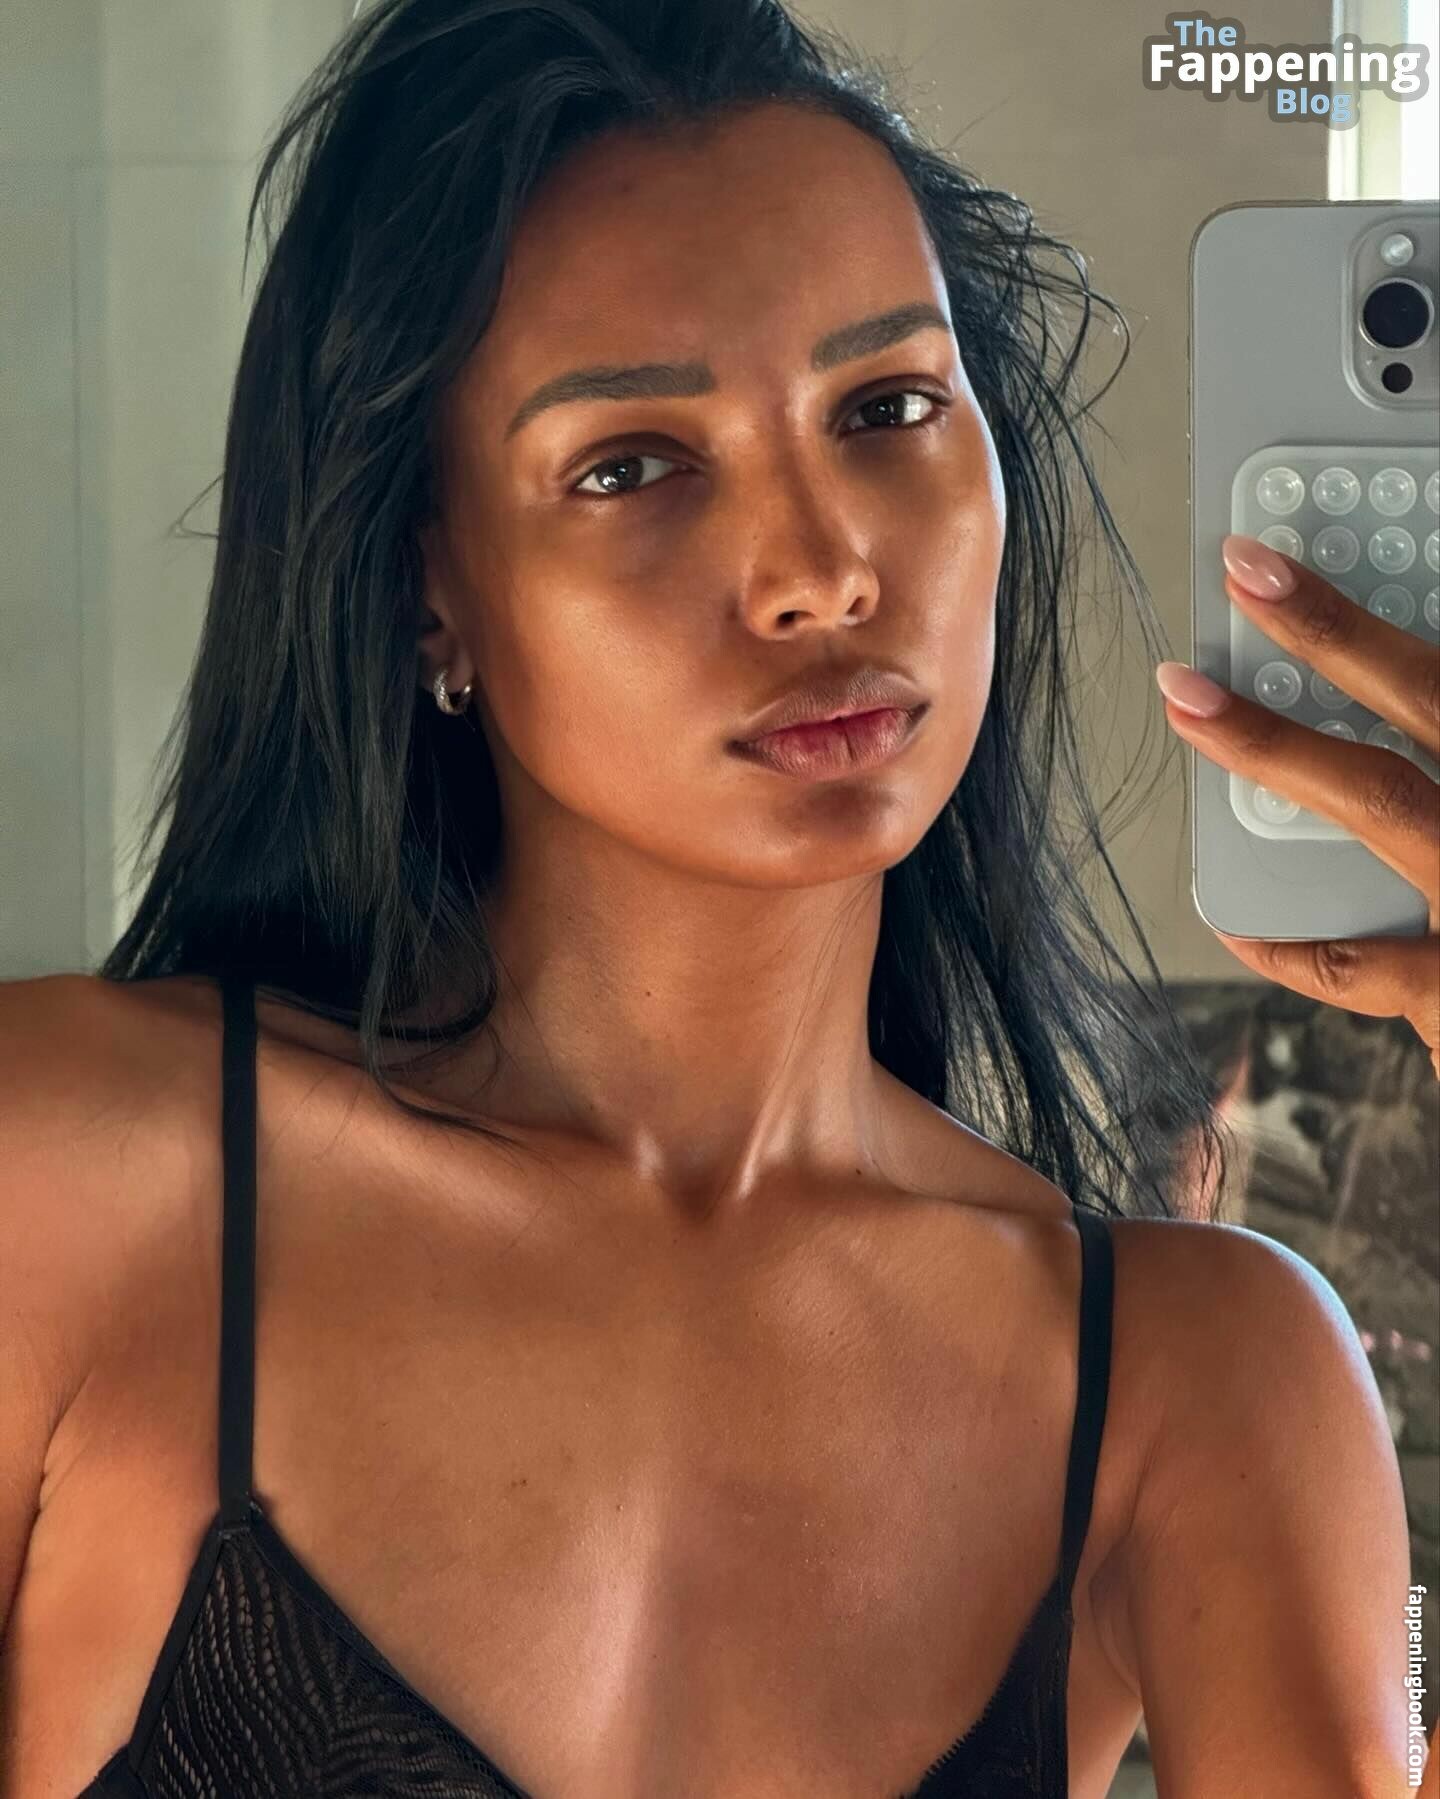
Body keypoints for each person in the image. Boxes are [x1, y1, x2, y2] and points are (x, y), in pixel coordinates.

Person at [1, 1, 1433, 1793]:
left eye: (888, 408)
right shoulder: (73, 1181)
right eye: (632, 465)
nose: (822, 569)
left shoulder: (1196, 1380)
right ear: (427, 585)